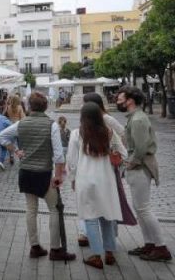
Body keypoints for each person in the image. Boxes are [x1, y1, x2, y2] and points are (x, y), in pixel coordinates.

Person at [0, 92, 76, 262]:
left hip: (26, 172)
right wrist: (58, 176)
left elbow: (0, 136)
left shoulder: (21, 123)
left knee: (31, 209)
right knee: (54, 209)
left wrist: (15, 151)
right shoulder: (51, 125)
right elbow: (58, 155)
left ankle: (35, 247)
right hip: (43, 173)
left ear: (29, 106)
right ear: (45, 107)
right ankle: (55, 249)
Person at [66, 102, 128, 269]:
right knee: (107, 215)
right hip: (106, 179)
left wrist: (72, 179)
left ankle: (96, 256)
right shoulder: (109, 132)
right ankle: (109, 252)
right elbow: (124, 153)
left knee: (90, 217)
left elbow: (71, 161)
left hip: (85, 179)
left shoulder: (77, 133)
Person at [117, 86, 172, 261]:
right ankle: (150, 244)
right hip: (138, 166)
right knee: (140, 208)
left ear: (130, 100)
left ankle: (161, 247)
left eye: (120, 99)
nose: (118, 101)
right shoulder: (135, 117)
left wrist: (130, 163)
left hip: (140, 167)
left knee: (144, 208)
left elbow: (140, 148)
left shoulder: (138, 119)